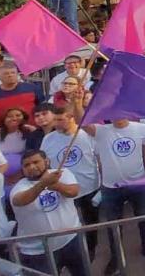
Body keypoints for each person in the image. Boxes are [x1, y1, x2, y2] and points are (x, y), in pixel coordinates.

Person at [70, 95, 145, 273]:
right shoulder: (102, 131)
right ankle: (116, 257)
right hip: (111, 188)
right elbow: (82, 121)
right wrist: (77, 103)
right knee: (113, 225)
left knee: (143, 218)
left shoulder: (141, 128)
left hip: (138, 184)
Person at [10, 150, 88, 276]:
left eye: (36, 162)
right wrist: (43, 184)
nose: (32, 167)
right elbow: (20, 200)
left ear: (47, 161)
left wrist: (57, 186)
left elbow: (73, 191)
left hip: (71, 240)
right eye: (26, 165)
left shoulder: (62, 173)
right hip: (38, 252)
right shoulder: (19, 187)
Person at [39, 106, 101, 259]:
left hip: (89, 187)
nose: (57, 123)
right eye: (55, 120)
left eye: (60, 119)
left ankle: (91, 249)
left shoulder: (86, 135)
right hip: (63, 189)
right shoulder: (48, 139)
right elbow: (45, 163)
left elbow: (99, 157)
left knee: (91, 222)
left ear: (72, 117)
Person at [0, 62, 45, 133]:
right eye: (6, 73)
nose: (10, 75)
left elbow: (42, 110)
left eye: (13, 73)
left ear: (17, 75)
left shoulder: (32, 89)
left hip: (31, 133)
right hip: (3, 136)